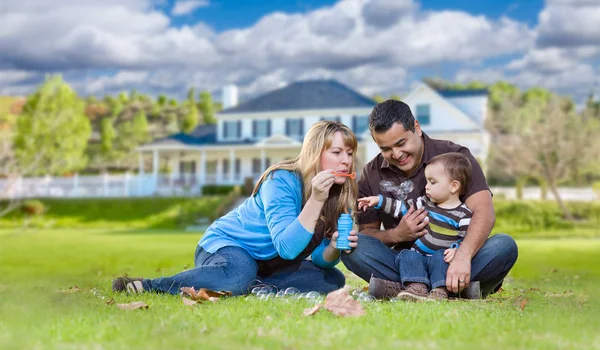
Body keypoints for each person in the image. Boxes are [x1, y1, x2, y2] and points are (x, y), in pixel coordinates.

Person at [112, 121, 359, 296]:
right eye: (336, 152)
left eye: (349, 153)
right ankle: (151, 285)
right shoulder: (282, 180)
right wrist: (316, 200)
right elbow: (287, 247)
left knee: (331, 279)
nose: (345, 160)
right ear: (315, 153)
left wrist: (334, 248)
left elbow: (319, 257)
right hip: (228, 246)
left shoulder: (338, 195)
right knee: (237, 275)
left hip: (269, 265)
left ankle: (250, 285)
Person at [341, 100, 518, 299]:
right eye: (386, 149)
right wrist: (396, 235)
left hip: (451, 258)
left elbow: (484, 213)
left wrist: (462, 256)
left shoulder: (456, 157)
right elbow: (367, 233)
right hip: (406, 263)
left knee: (504, 245)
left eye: (401, 143)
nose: (397, 154)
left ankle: (403, 290)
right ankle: (449, 292)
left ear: (416, 127)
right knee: (353, 247)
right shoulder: (372, 173)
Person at [357, 152, 473, 300]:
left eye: (432, 182)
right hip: (419, 255)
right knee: (407, 255)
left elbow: (465, 238)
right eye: (427, 181)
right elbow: (401, 207)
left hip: (441, 258)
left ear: (453, 186)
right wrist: (378, 201)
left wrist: (457, 251)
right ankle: (416, 287)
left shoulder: (463, 214)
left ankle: (440, 290)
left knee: (441, 259)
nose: (426, 187)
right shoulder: (424, 203)